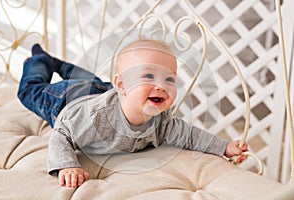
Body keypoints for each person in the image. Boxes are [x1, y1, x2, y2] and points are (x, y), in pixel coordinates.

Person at [17, 40, 248, 188]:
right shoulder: (96, 117)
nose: (162, 86)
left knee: (91, 81)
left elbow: (189, 136)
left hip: (106, 89)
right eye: (148, 76)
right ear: (123, 84)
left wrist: (224, 147)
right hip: (67, 100)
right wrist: (67, 165)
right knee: (29, 91)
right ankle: (41, 59)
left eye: (169, 79)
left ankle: (58, 63)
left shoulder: (162, 122)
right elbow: (62, 133)